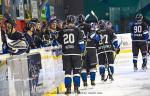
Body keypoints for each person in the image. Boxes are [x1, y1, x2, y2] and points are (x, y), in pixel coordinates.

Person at [57, 15, 85, 94]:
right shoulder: (78, 30)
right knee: (76, 72)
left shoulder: (62, 31)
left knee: (67, 73)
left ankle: (68, 89)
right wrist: (83, 52)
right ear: (74, 21)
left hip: (66, 55)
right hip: (76, 54)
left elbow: (58, 42)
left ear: (67, 21)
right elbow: (81, 44)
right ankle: (76, 88)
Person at [77, 14, 99, 87]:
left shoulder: (76, 28)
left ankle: (85, 82)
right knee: (92, 66)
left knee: (83, 67)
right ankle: (92, 81)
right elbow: (93, 36)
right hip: (91, 48)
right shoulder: (89, 26)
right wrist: (98, 37)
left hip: (81, 49)